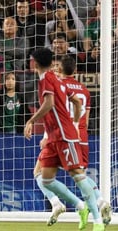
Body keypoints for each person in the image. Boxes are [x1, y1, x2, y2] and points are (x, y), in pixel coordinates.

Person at [25, 48, 104, 231]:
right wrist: (76, 122)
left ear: (35, 63)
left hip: (63, 135)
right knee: (45, 179)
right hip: (55, 136)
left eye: (31, 60)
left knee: (78, 175)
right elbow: (76, 101)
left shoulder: (46, 79)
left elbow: (49, 103)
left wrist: (31, 120)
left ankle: (97, 220)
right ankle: (80, 206)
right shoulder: (56, 78)